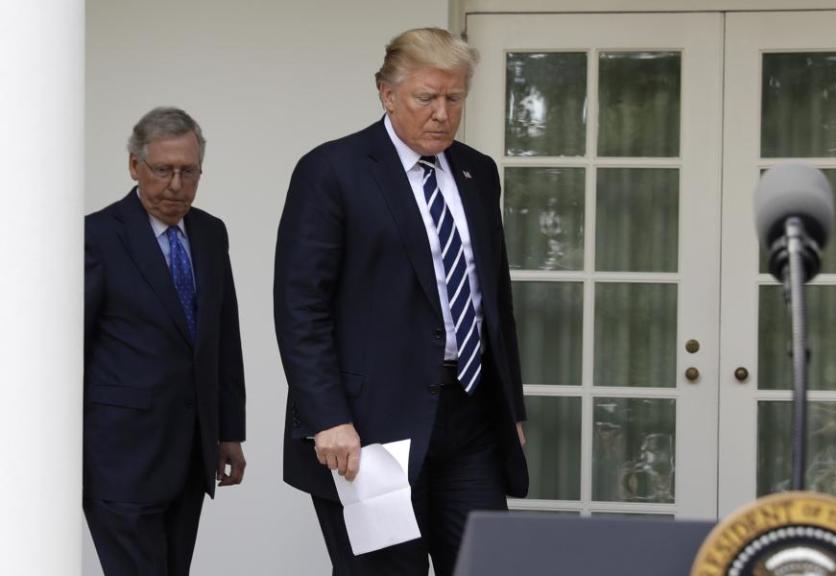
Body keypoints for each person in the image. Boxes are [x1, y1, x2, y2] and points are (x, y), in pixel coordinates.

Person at [274, 27, 528, 575]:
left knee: (489, 566)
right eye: (426, 97)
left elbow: (493, 297)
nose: (442, 112)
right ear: (387, 94)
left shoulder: (477, 172)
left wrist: (513, 408)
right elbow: (301, 307)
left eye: (454, 98)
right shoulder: (332, 171)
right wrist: (329, 417)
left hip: (471, 417)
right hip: (370, 430)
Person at [84, 107, 247, 575]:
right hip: (119, 458)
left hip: (190, 454)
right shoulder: (97, 236)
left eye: (188, 172)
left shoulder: (211, 233)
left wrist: (228, 430)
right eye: (163, 170)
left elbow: (223, 336)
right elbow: (70, 349)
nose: (176, 185)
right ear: (135, 166)